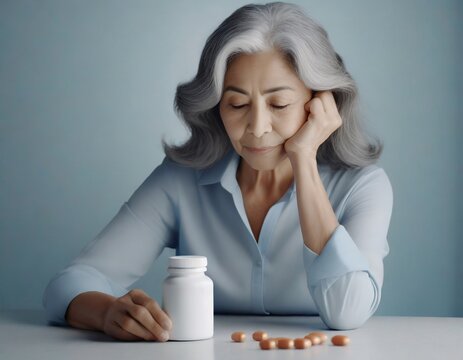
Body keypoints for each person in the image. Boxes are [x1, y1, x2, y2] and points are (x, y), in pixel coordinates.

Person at [43, 2, 393, 342]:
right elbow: (69, 284)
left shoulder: (363, 186)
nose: (256, 127)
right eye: (237, 104)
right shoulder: (180, 180)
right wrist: (107, 313)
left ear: (321, 103)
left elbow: (349, 310)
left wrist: (303, 159)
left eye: (279, 104)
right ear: (215, 106)